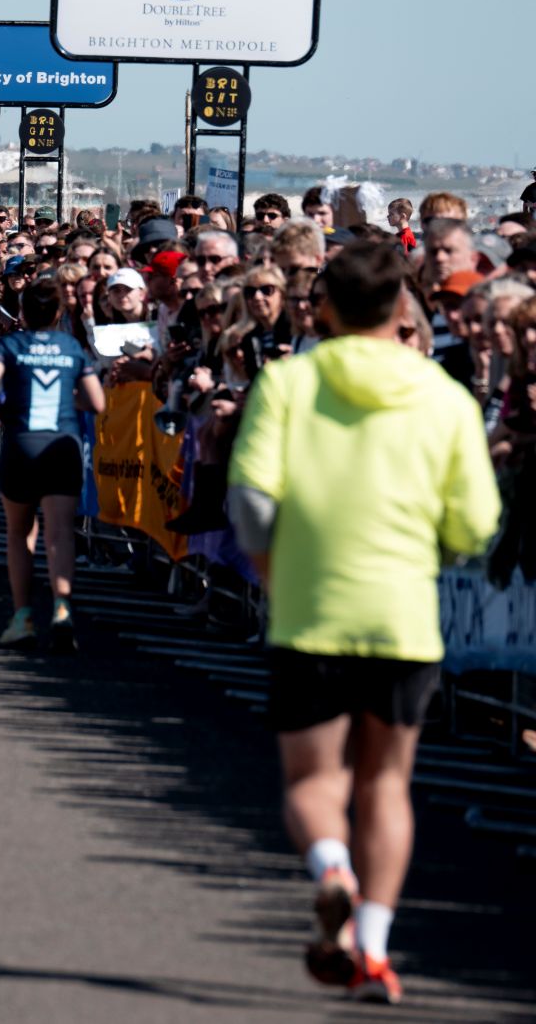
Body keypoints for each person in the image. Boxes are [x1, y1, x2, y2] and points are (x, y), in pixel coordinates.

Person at [228, 241, 500, 1005]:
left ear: (324, 308)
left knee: (316, 782)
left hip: (311, 609)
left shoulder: (288, 380)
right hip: (404, 617)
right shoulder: (443, 395)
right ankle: (373, 947)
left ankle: (331, 870)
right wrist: (434, 545)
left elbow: (250, 500)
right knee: (388, 784)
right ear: (400, 308)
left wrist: (273, 572)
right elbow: (477, 521)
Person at [0, 277, 106, 651]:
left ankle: (22, 617)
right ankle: (62, 608)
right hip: (62, 445)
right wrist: (68, 398)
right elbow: (97, 403)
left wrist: (3, 409)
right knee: (60, 532)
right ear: (60, 312)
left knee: (19, 533)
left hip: (21, 444)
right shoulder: (72, 346)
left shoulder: (9, 344)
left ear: (21, 311)